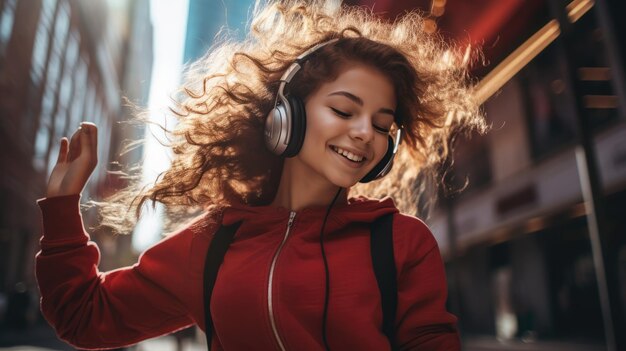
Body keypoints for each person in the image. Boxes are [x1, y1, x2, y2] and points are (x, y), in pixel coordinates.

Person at [35, 1, 485, 350]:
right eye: (344, 109)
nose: (366, 133)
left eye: (383, 124)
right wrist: (61, 210)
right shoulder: (214, 243)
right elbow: (82, 316)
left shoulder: (401, 242)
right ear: (284, 116)